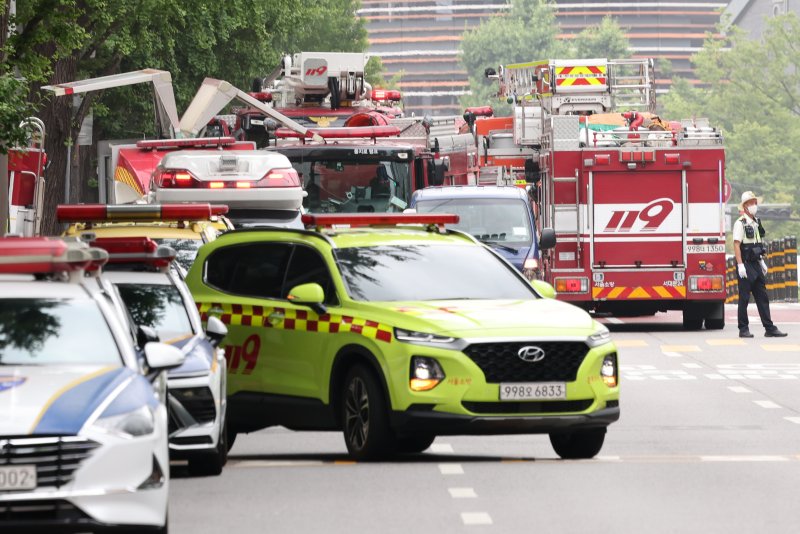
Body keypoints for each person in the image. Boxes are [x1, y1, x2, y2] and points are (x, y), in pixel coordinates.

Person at [733, 191, 787, 338]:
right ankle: (743, 329)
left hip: (756, 264)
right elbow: (737, 245)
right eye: (750, 203)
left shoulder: (756, 222)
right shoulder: (740, 223)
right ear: (744, 206)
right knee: (744, 298)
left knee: (762, 297)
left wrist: (762, 261)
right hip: (745, 264)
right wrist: (740, 265)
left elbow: (757, 245)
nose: (753, 205)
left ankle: (769, 328)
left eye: (754, 202)